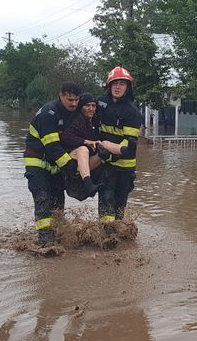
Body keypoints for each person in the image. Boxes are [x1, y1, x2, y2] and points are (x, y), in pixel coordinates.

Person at [23, 82, 83, 247]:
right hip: (37, 162)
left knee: (58, 202)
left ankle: (59, 236)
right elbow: (53, 147)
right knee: (43, 199)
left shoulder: (73, 113)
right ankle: (46, 243)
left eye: (76, 100)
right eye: (70, 99)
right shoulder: (48, 114)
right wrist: (71, 167)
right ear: (60, 96)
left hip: (55, 165)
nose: (74, 104)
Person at [96, 66, 143, 225]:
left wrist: (110, 152)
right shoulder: (100, 103)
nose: (118, 87)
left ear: (128, 87)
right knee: (105, 202)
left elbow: (129, 143)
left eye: (122, 84)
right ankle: (106, 234)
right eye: (115, 83)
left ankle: (117, 232)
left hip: (125, 168)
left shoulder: (132, 112)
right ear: (109, 86)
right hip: (106, 165)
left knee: (119, 207)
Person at [59, 93, 114, 201]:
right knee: (83, 149)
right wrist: (85, 141)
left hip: (88, 163)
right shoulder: (76, 120)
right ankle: (89, 185)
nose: (91, 109)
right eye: (87, 105)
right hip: (72, 159)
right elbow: (65, 137)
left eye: (93, 106)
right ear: (81, 107)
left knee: (104, 152)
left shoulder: (95, 122)